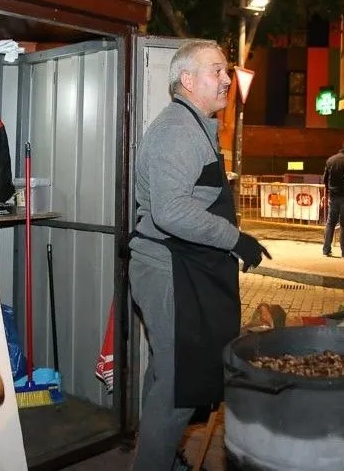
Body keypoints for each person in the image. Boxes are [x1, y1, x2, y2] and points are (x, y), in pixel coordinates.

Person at [128, 39, 271, 470]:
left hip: (181, 269)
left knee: (167, 377)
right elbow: (171, 212)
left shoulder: (195, 126)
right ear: (187, 80)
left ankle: (161, 460)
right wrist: (235, 239)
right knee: (177, 386)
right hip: (169, 271)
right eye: (217, 71)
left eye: (227, 71)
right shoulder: (177, 129)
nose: (227, 79)